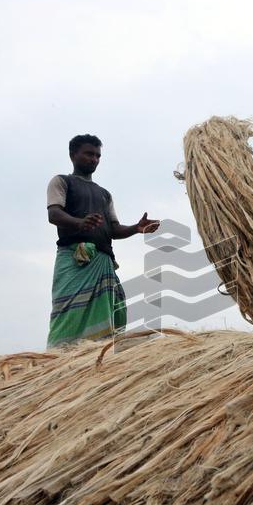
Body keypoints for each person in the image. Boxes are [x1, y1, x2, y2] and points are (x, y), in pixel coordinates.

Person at [46, 134, 159, 347]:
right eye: (89, 154)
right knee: (69, 311)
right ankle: (58, 356)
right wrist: (80, 223)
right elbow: (54, 214)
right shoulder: (62, 182)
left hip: (103, 261)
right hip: (75, 259)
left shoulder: (104, 194)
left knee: (113, 309)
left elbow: (114, 229)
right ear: (73, 155)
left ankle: (100, 353)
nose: (94, 159)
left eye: (98, 156)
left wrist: (136, 228)